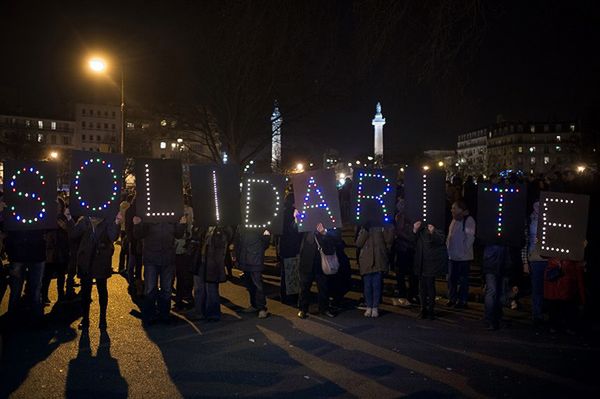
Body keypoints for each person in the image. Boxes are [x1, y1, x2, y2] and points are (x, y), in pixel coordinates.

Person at [70, 212, 122, 330]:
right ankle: (86, 318)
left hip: (101, 259)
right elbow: (73, 234)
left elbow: (113, 236)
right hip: (86, 260)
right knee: (85, 292)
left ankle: (102, 318)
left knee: (102, 289)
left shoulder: (108, 219)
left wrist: (117, 222)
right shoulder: (85, 219)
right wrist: (69, 218)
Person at [133, 215, 186, 325]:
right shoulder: (148, 212)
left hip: (167, 257)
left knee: (166, 289)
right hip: (151, 257)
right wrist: (137, 225)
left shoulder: (172, 213)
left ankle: (164, 314)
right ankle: (150, 315)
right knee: (150, 288)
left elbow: (179, 234)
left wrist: (182, 224)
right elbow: (138, 234)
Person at [188, 225, 233, 321]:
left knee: (211, 288)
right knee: (199, 288)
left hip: (212, 262)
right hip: (199, 261)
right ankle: (200, 312)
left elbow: (226, 239)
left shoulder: (221, 228)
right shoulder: (200, 226)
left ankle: (213, 314)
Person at [5, 227, 47, 324]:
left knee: (17, 290)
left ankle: (13, 319)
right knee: (34, 290)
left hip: (21, 252)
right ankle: (35, 319)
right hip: (32, 253)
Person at [297, 222, 337, 319]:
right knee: (304, 286)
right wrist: (296, 219)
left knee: (323, 286)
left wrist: (325, 233)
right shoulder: (306, 217)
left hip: (322, 260)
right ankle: (303, 309)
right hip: (307, 258)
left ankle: (324, 308)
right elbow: (295, 230)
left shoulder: (328, 219)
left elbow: (336, 238)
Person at [355, 224, 394, 317]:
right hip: (366, 260)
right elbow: (358, 243)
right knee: (367, 285)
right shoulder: (363, 227)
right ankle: (369, 306)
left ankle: (375, 307)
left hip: (379, 259)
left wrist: (388, 229)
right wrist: (365, 230)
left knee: (377, 285)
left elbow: (389, 240)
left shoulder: (382, 226)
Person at [411, 221, 447, 320]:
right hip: (421, 263)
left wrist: (433, 232)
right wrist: (414, 230)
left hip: (430, 263)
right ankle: (423, 309)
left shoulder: (436, 229)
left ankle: (430, 310)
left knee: (430, 287)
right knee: (422, 288)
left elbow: (441, 240)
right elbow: (412, 242)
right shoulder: (420, 230)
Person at [235, 228, 271, 319]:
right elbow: (238, 243)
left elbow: (265, 242)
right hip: (245, 259)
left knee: (257, 285)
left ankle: (261, 308)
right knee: (250, 284)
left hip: (255, 260)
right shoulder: (241, 227)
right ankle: (254, 305)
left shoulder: (260, 225)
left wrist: (257, 251)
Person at [446, 199, 476, 309]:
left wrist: (463, 250)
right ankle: (452, 298)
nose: (452, 210)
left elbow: (470, 237)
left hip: (463, 257)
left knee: (463, 280)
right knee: (451, 279)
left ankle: (462, 300)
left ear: (460, 209)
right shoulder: (454, 220)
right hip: (452, 255)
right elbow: (450, 235)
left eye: (454, 208)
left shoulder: (468, 220)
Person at [544, 258, 585, 334]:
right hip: (563, 281)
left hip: (565, 281)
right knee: (561, 304)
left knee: (564, 304)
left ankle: (560, 326)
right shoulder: (555, 260)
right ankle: (561, 326)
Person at [392, 199, 418, 307]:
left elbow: (399, 231)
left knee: (403, 273)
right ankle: (411, 293)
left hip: (404, 248)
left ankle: (407, 293)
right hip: (408, 247)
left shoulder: (400, 217)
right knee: (408, 273)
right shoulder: (407, 216)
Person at [277, 193, 302, 304]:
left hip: (284, 247)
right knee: (292, 273)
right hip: (292, 247)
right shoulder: (292, 214)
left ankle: (285, 295)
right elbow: (294, 230)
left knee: (285, 273)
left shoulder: (281, 213)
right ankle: (291, 297)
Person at [482, 244, 512, 330]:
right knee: (495, 291)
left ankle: (490, 318)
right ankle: (493, 318)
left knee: (492, 291)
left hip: (491, 262)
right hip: (497, 262)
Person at [527, 201, 547, 326]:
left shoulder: (549, 218)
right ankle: (537, 314)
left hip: (547, 258)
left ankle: (540, 313)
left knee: (543, 288)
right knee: (537, 288)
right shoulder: (531, 220)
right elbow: (527, 240)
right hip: (536, 257)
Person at [117, 194, 132, 273]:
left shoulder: (120, 206)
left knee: (122, 250)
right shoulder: (130, 208)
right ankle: (128, 268)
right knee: (129, 250)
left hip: (122, 229)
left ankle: (120, 266)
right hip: (128, 229)